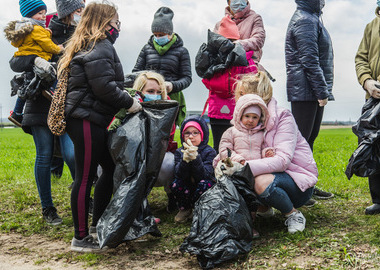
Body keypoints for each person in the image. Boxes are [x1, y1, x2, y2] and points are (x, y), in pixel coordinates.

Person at [58, 2, 142, 252]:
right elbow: (103, 86)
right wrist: (130, 103)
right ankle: (81, 237)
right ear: (105, 23)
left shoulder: (89, 44)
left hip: (90, 118)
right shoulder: (100, 45)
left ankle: (97, 224)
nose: (118, 27)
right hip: (85, 118)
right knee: (85, 176)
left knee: (109, 165)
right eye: (116, 22)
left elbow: (103, 81)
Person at [4, 0, 74, 226]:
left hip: (64, 102)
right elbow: (15, 61)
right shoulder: (38, 30)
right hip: (39, 101)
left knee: (72, 154)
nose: (44, 16)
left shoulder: (77, 34)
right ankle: (48, 208)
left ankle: (84, 197)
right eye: (77, 8)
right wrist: (35, 60)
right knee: (44, 155)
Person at [226, 71, 318, 233]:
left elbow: (282, 161)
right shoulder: (244, 121)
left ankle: (293, 214)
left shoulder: (283, 117)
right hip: (267, 174)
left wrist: (242, 167)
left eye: (239, 94)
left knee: (260, 181)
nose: (235, 99)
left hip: (295, 182)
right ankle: (263, 207)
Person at [108, 71, 178, 214]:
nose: (155, 94)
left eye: (159, 91)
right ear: (140, 91)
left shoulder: (167, 108)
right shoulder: (127, 105)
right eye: (150, 91)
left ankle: (172, 196)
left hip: (156, 157)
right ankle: (126, 204)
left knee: (170, 163)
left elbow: (168, 138)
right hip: (131, 157)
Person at [285, 0, 334, 201]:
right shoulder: (305, 20)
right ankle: (298, 189)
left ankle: (308, 186)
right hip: (305, 91)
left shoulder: (311, 17)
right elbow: (309, 59)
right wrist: (322, 91)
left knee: (308, 140)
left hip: (308, 90)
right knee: (302, 143)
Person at [198, 15, 258, 152]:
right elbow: (253, 83)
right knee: (238, 149)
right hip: (238, 112)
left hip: (216, 110)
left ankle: (218, 172)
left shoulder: (212, 57)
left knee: (219, 148)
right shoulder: (246, 59)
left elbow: (206, 80)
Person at [5, 0, 64, 127]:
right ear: (30, 15)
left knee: (26, 87)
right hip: (38, 59)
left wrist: (46, 32)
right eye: (40, 13)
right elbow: (47, 45)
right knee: (52, 71)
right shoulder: (36, 29)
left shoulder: (25, 28)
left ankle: (16, 113)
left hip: (26, 59)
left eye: (44, 13)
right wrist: (59, 48)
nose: (43, 16)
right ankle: (53, 90)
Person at [132, 6, 192, 127]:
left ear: (170, 33)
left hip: (171, 99)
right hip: (147, 98)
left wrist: (173, 85)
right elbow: (136, 72)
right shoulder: (146, 49)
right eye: (155, 34)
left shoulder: (182, 51)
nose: (158, 37)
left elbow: (187, 78)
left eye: (161, 34)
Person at [48, 0, 85, 181]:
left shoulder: (84, 31)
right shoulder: (48, 32)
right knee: (65, 152)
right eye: (78, 10)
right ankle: (78, 183)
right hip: (55, 98)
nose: (82, 13)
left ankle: (82, 184)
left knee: (74, 152)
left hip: (79, 97)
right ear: (67, 12)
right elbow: (22, 61)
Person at [355, 2, 380, 215]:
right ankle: (378, 199)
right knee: (373, 144)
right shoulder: (371, 26)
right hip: (374, 97)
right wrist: (367, 81)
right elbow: (361, 59)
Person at [170, 116, 217, 223]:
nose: (191, 136)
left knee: (205, 184)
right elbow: (178, 174)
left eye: (195, 132)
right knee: (176, 184)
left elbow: (205, 175)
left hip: (201, 185)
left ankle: (200, 209)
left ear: (203, 134)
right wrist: (185, 160)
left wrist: (196, 158)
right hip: (187, 186)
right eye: (187, 133)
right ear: (182, 136)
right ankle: (185, 209)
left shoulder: (210, 152)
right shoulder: (179, 152)